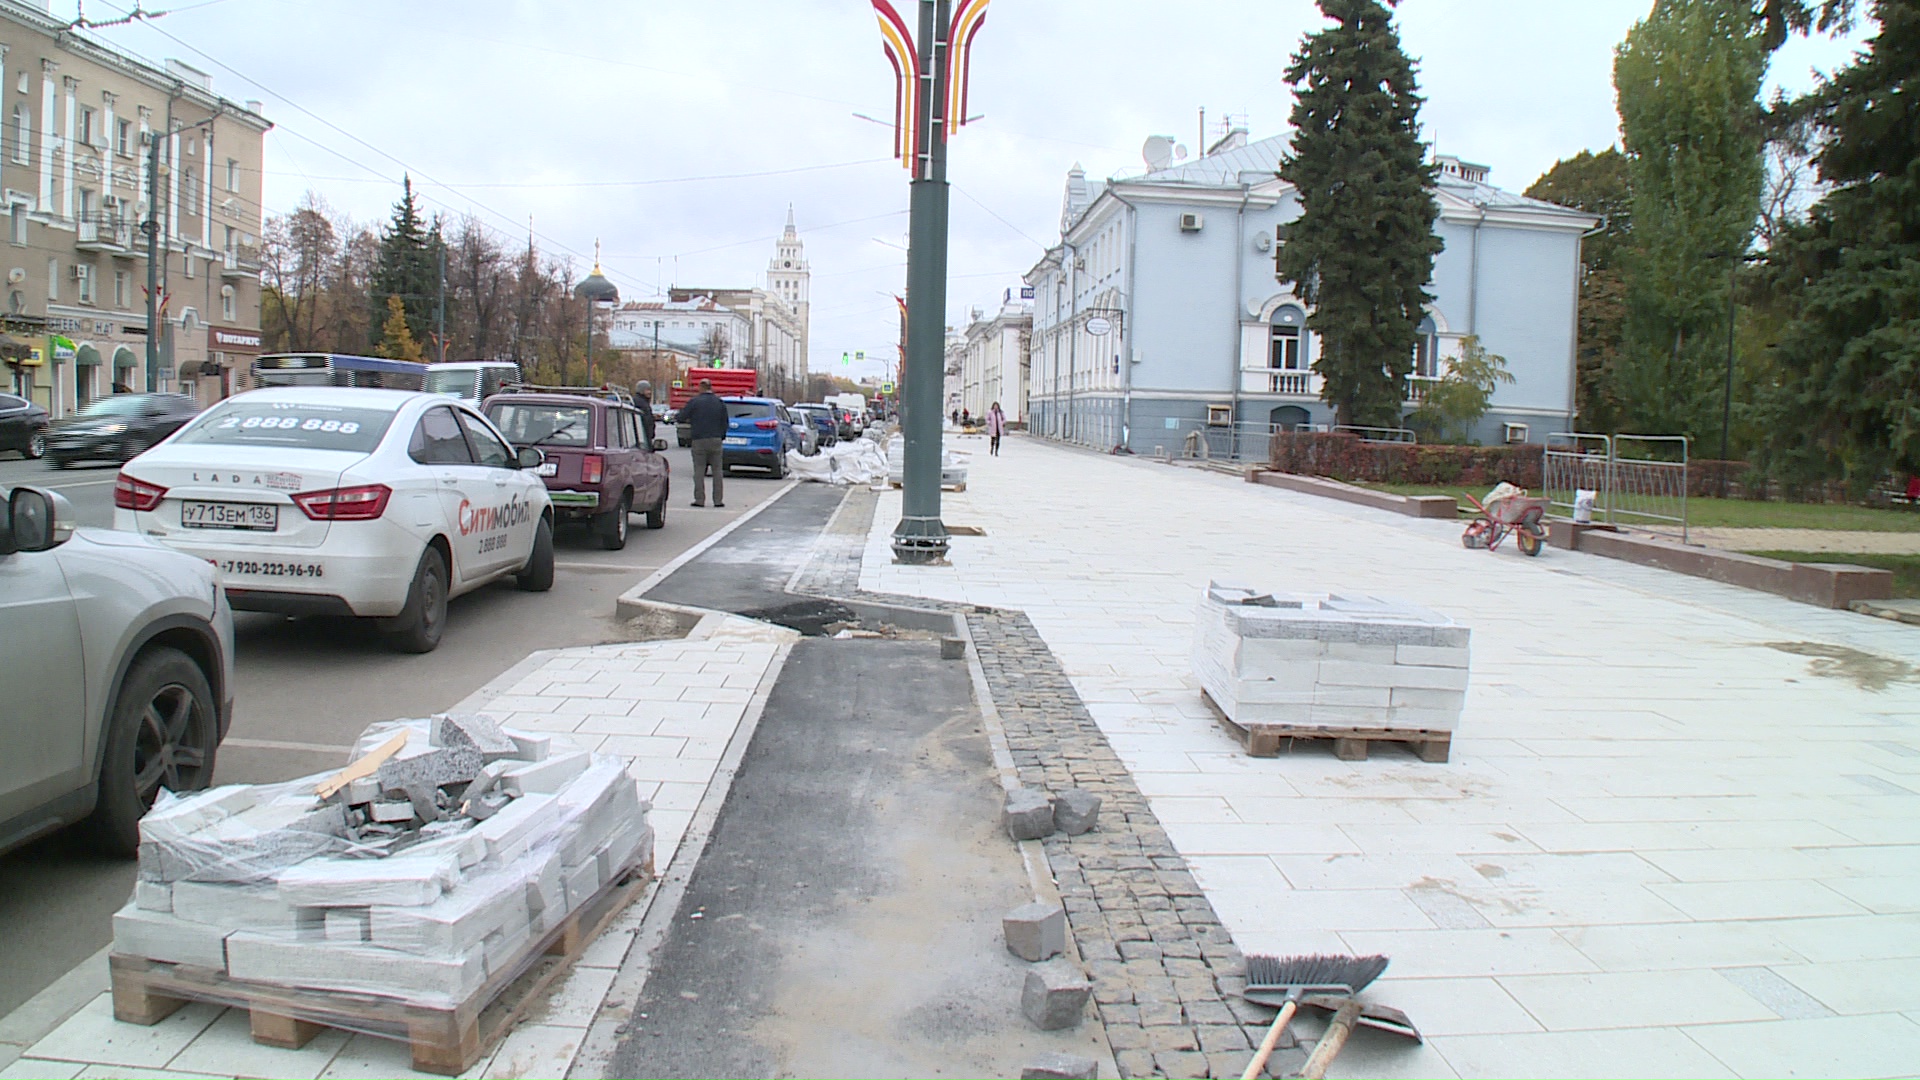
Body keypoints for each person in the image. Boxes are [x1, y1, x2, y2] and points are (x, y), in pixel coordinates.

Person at [679, 378, 729, 507]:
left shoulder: (695, 402)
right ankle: (718, 500)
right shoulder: (719, 403)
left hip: (699, 440)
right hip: (716, 440)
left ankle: (699, 499)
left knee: (699, 471)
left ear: (701, 387)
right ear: (710, 388)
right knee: (717, 471)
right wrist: (721, 436)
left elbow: (681, 417)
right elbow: (725, 422)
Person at [633, 380, 657, 447]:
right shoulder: (641, 403)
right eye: (647, 390)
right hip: (643, 437)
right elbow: (647, 421)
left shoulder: (642, 402)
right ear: (641, 391)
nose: (649, 392)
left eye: (650, 390)